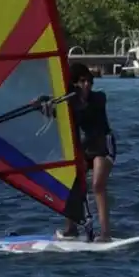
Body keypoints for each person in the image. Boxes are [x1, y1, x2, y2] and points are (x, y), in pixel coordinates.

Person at [55, 61, 115, 241]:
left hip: (103, 145)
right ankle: (71, 228)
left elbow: (86, 108)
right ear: (74, 83)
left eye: (89, 81)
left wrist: (67, 100)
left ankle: (105, 234)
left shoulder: (99, 98)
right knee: (72, 182)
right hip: (85, 147)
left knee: (97, 185)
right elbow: (56, 112)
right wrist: (44, 103)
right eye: (82, 81)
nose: (86, 84)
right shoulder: (69, 102)